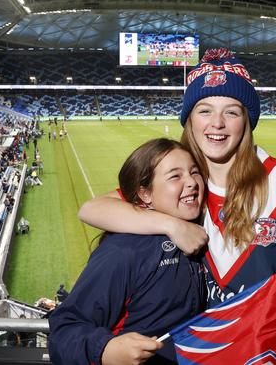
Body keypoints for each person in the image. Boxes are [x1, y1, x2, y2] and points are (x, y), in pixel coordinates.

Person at [78, 48, 276, 364]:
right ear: (189, 119)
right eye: (204, 110)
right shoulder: (187, 183)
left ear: (247, 120)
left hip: (268, 348)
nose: (217, 123)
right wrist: (171, 224)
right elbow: (92, 209)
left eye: (231, 112)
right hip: (204, 347)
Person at [49, 138, 206, 365]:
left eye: (195, 172)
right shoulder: (123, 251)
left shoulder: (205, 228)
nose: (191, 182)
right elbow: (64, 331)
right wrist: (105, 349)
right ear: (145, 194)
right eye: (175, 176)